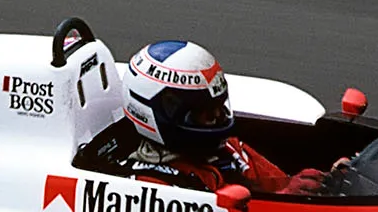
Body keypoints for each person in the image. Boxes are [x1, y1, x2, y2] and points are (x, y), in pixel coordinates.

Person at [93, 40, 327, 194]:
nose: (218, 118)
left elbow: (283, 188)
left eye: (218, 106)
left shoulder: (230, 150)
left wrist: (324, 183)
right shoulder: (151, 186)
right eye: (204, 113)